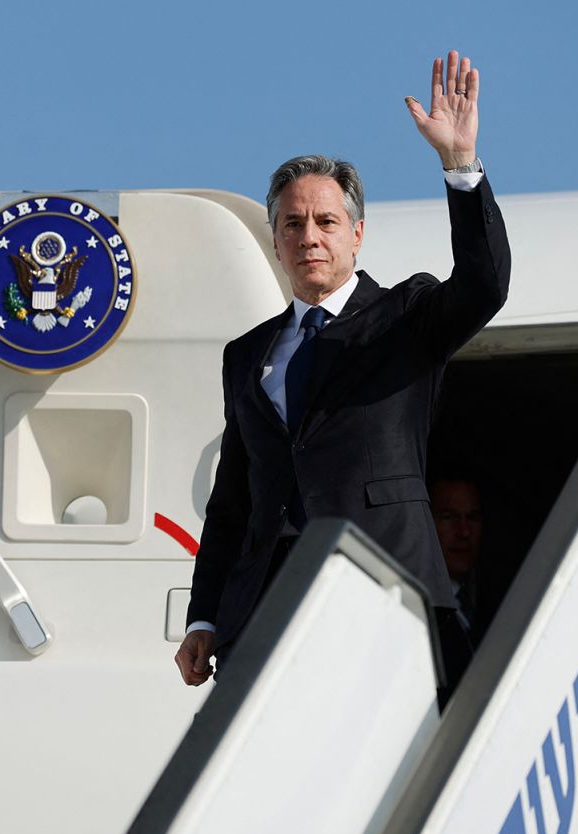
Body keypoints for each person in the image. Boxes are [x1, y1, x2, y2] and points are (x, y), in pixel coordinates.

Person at [175, 51, 510, 688]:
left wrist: (460, 167)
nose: (309, 237)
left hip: (384, 592)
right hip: (264, 614)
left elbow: (485, 285)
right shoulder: (246, 354)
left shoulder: (405, 317)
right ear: (275, 242)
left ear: (356, 235)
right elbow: (233, 502)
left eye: (326, 222)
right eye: (292, 224)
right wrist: (204, 617)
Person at [429, 475, 486, 642]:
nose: (464, 532)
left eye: (473, 517)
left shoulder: (503, 606)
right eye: (449, 517)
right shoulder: (414, 607)